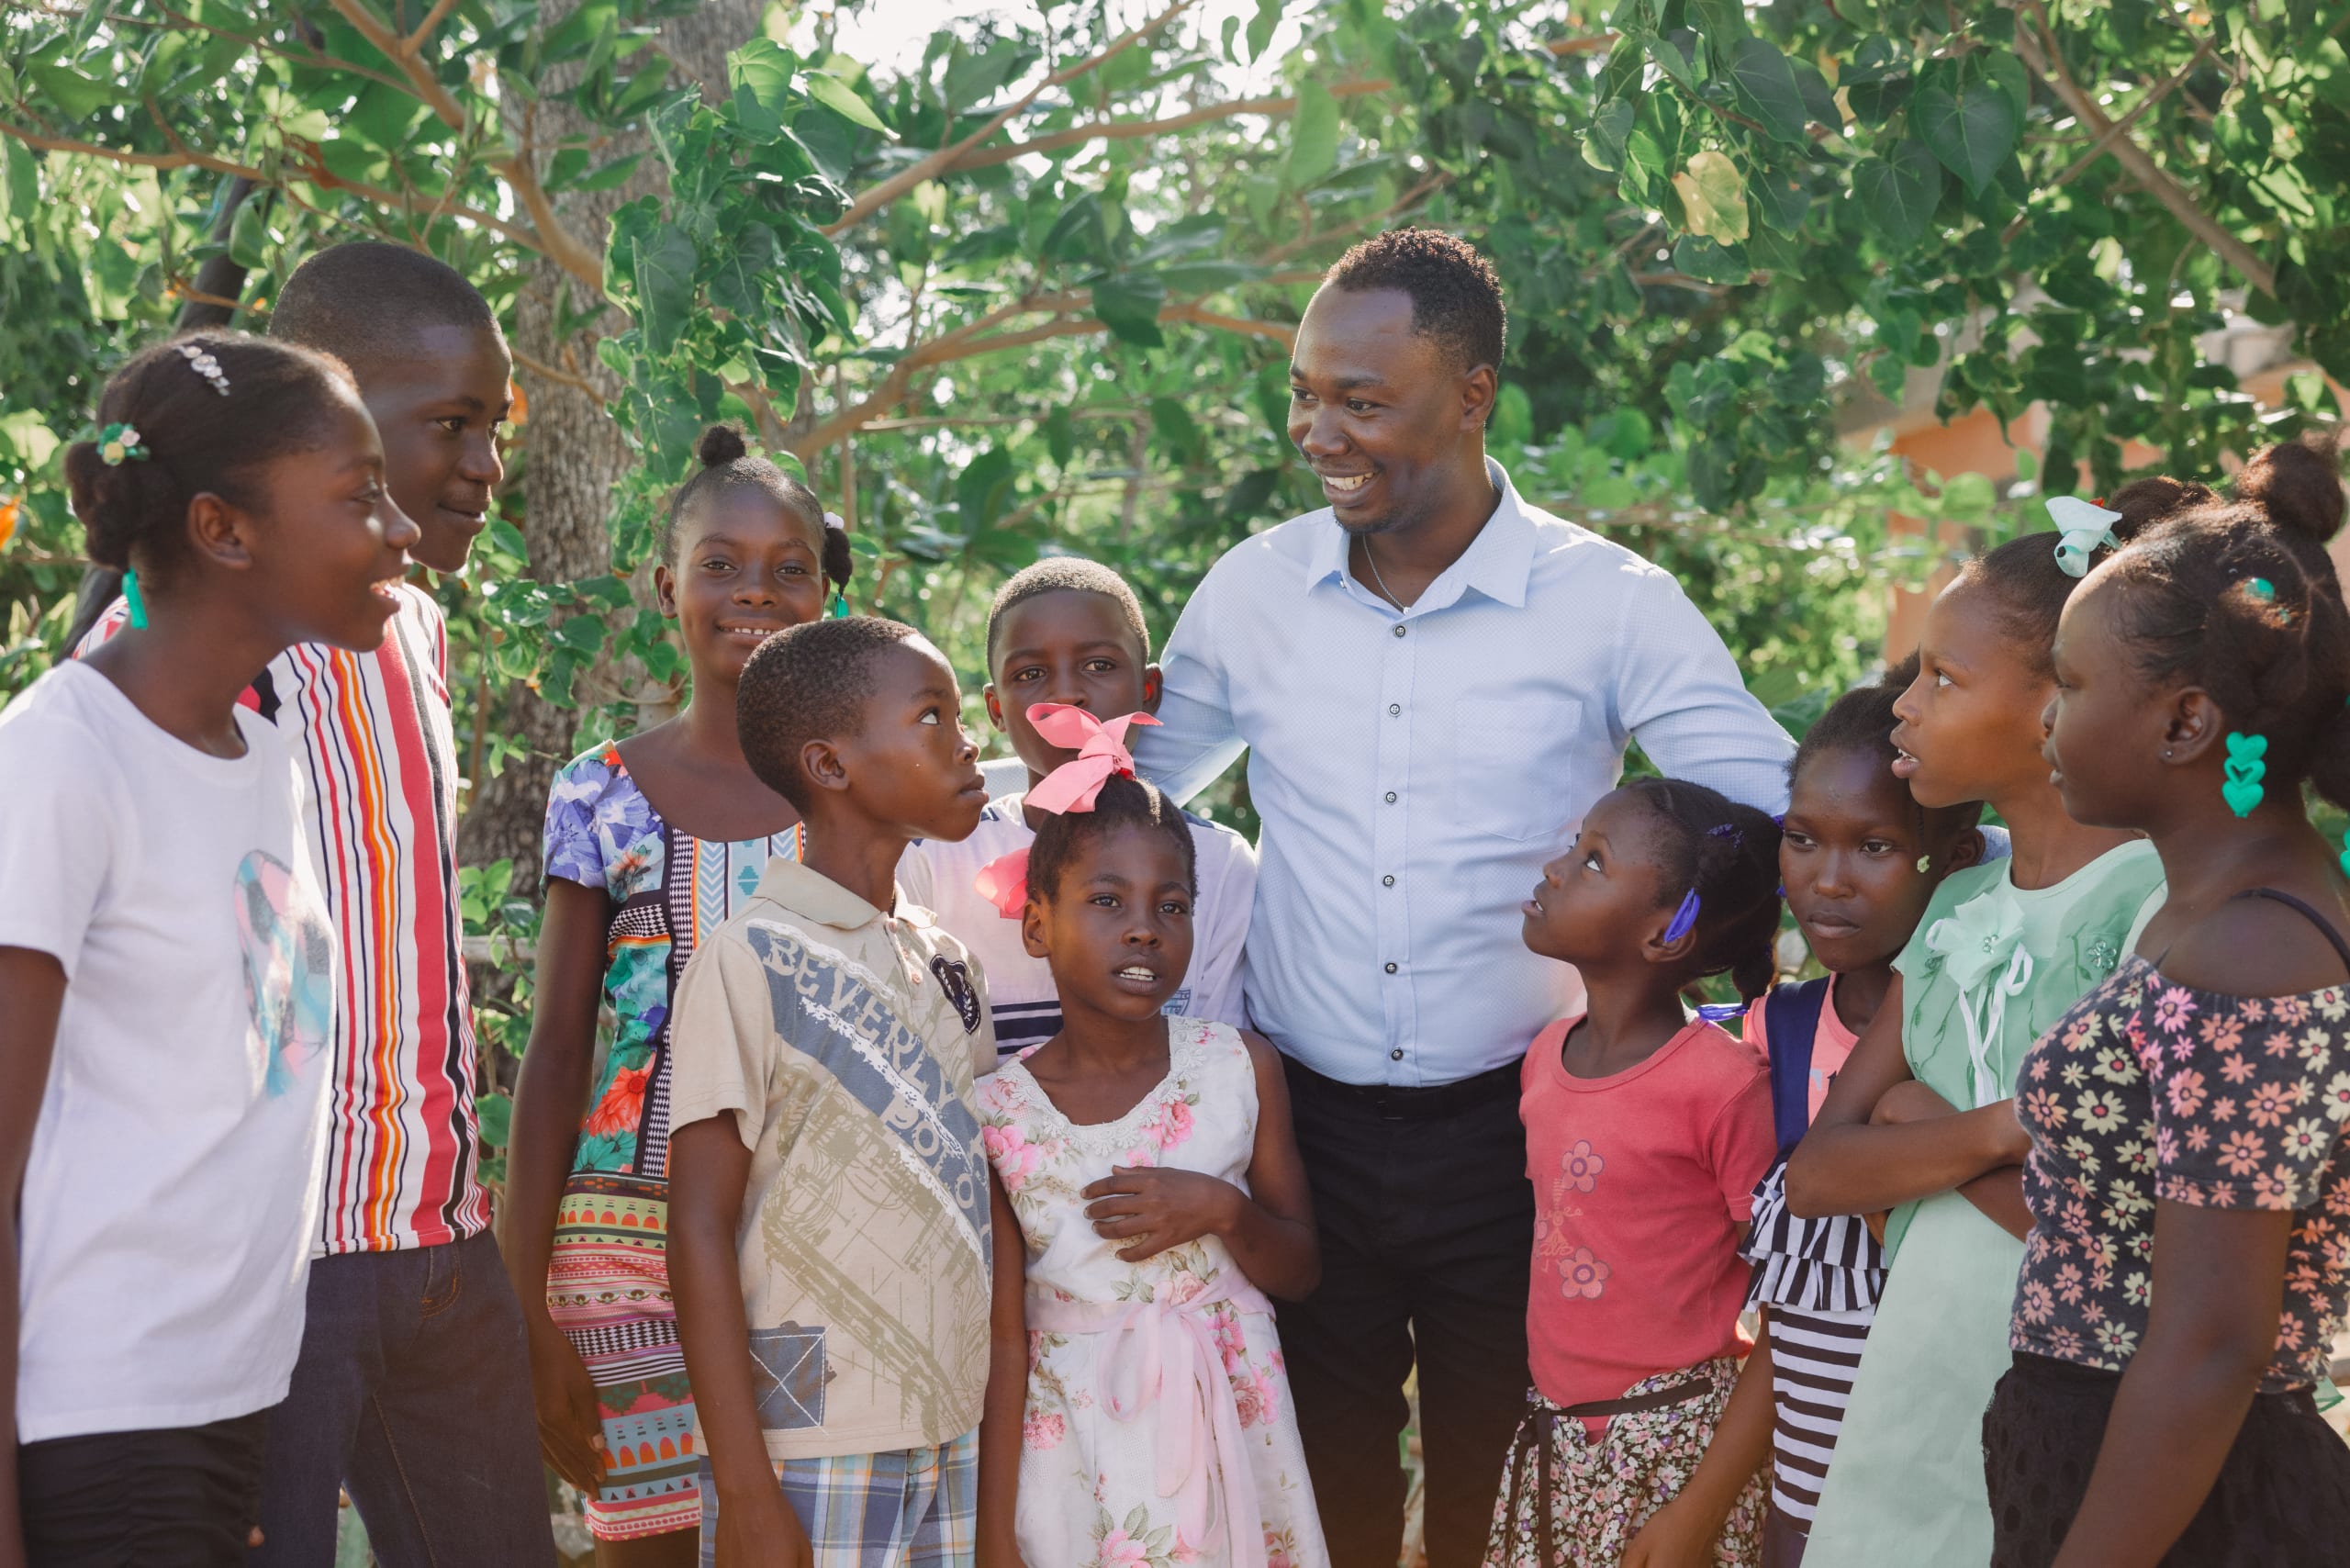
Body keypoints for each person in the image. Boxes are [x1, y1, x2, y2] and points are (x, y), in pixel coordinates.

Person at [1131, 227, 1795, 1566]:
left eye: (1361, 401)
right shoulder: (1251, 592)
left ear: (1473, 394)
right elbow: (1126, 793)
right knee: (1318, 1491)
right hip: (1298, 1133)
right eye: (1306, 394)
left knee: (1499, 1490)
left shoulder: (1610, 604)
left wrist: (1979, 850)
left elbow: (1771, 804)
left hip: (1524, 1134)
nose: (1319, 432)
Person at [0, 332, 418, 1562]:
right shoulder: (64, 760)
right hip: (104, 1433)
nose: (400, 529)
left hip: (228, 1410)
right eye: (360, 495)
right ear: (222, 530)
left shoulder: (267, 755)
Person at [1783, 495, 2180, 1568]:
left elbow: (2120, 1246)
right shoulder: (1956, 902)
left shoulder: (2152, 909)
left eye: (1941, 678)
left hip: (2063, 1418)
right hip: (1910, 1400)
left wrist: (1919, 1130)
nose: (1903, 709)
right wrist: (2005, 1129)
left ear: (2059, 698)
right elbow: (1816, 1174)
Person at [1983, 436, 2350, 1565]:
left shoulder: (2252, 954)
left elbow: (2211, 1344)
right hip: (2130, 1468)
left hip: (2190, 1509)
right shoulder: (2214, 913)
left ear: (2186, 723)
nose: (2046, 720)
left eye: (2070, 684)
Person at [505, 425, 854, 1561]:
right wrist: (523, 1302)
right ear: (668, 588)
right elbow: (557, 1052)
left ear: (828, 591)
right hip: (625, 1254)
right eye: (719, 564)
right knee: (647, 1541)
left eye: (788, 568)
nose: (753, 592)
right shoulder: (598, 792)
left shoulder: (858, 792)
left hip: (820, 1243)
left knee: (813, 1534)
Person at [665, 617, 996, 1568]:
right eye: (932, 716)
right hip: (810, 1447)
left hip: (957, 1426)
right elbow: (696, 1228)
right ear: (829, 764)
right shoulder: (749, 959)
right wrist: (744, 1490)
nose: (967, 743)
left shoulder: (948, 961)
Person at [972, 769, 1326, 1568]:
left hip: (1229, 1426)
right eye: (1107, 901)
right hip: (1073, 1449)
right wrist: (994, 1533)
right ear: (1037, 926)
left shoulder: (1239, 1067)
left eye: (1172, 907)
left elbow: (1301, 1271)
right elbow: (1002, 1338)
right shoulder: (993, 1113)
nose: (1144, 930)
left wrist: (1224, 1211)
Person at [1488, 778, 1782, 1567]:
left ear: (1664, 936)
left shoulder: (1724, 1087)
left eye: (1593, 861)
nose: (1555, 868)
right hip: (1556, 1440)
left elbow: (1790, 1305)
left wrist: (1699, 1509)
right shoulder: (1547, 1056)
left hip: (1677, 1453)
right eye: (1574, 847)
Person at [1735, 662, 1989, 1566]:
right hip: (1804, 1500)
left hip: (1945, 1502)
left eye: (1874, 846)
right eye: (1802, 839)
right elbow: (1784, 1311)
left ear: (1955, 857)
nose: (1828, 880)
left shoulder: (1978, 1039)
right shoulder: (1774, 1036)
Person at [901, 557, 1257, 1063]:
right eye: (1030, 673)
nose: (1067, 693)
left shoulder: (1219, 861)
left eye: (1099, 666)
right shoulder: (934, 859)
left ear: (1148, 692)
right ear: (997, 709)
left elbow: (1223, 1062)